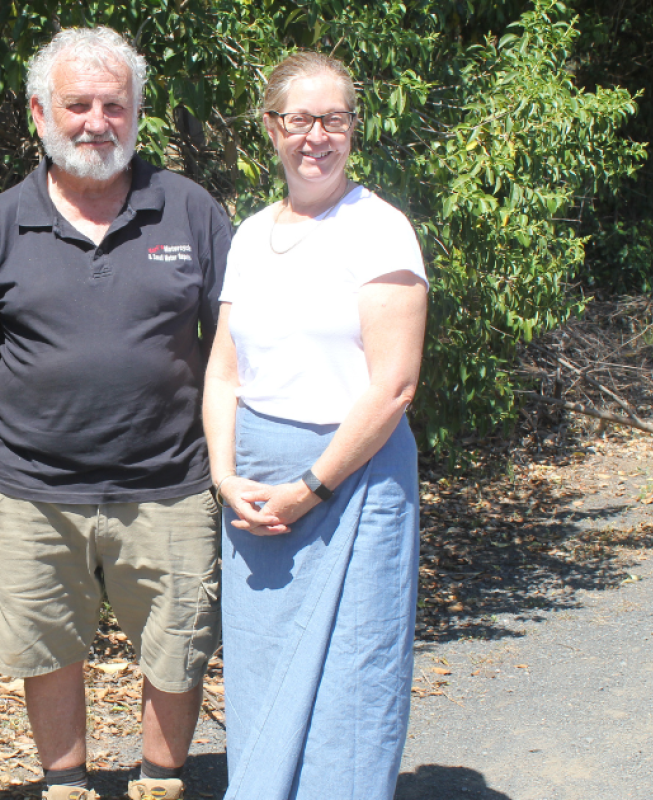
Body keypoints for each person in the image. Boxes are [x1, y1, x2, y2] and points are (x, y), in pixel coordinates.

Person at [0, 26, 230, 800]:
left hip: (171, 481)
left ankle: (160, 782)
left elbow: (232, 344)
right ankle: (66, 785)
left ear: (136, 114)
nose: (95, 122)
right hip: (35, 490)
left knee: (178, 646)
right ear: (41, 112)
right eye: (77, 104)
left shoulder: (189, 211)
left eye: (114, 105)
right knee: (46, 649)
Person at [203, 51, 429, 799]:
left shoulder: (380, 230)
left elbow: (393, 386)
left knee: (353, 677)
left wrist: (312, 486)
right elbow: (224, 375)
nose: (317, 136)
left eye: (334, 119)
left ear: (353, 131)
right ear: (272, 128)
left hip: (353, 476)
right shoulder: (249, 235)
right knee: (263, 670)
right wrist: (224, 476)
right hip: (256, 486)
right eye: (300, 119)